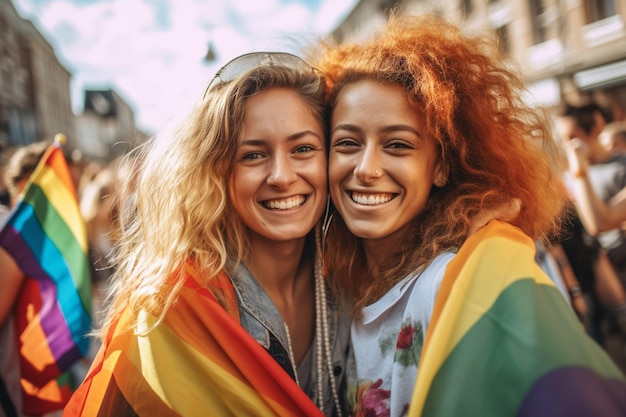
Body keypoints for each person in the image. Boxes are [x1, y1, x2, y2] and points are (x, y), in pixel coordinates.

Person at [315, 14, 626, 416]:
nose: (366, 168)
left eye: (397, 145)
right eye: (347, 143)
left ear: (442, 166)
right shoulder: (330, 284)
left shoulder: (460, 277)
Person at [64, 52, 349, 417]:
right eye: (253, 155)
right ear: (218, 170)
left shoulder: (356, 275)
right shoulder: (169, 308)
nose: (281, 175)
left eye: (303, 149)